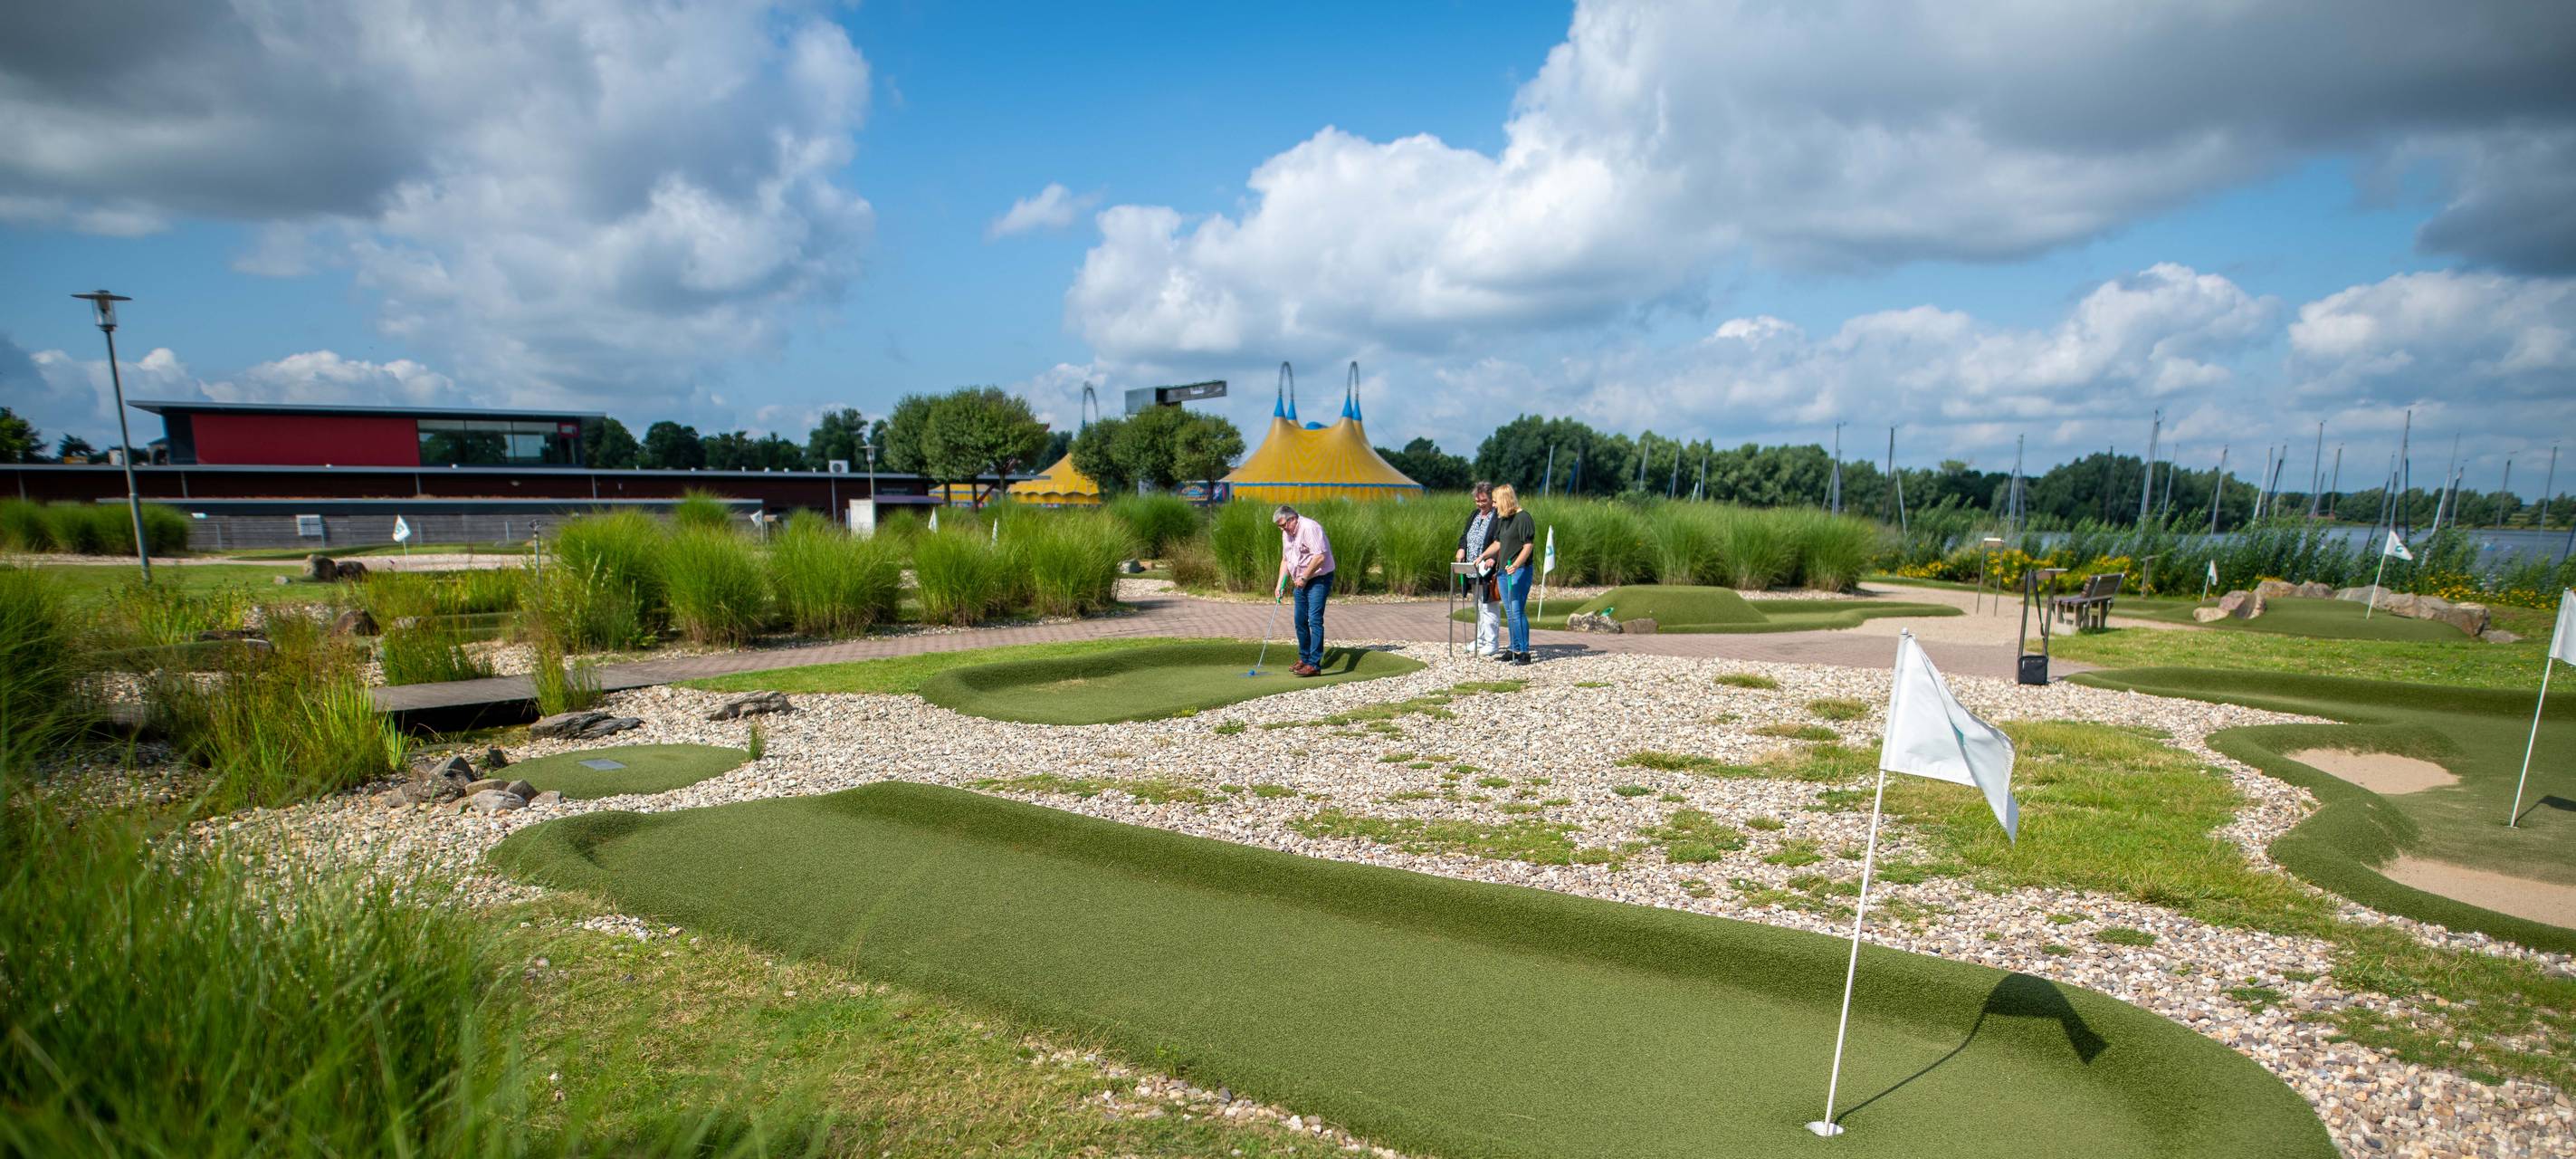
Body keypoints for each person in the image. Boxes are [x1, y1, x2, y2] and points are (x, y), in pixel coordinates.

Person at [1273, 504, 1337, 677]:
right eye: (1279, 526)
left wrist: (1304, 577)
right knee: (1299, 620)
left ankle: (1314, 665)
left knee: (1314, 620)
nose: (1282, 529)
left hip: (1318, 578)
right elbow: (1285, 560)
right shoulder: (1286, 534)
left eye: (1283, 524)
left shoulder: (1310, 528)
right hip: (1300, 580)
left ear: (1292, 518)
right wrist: (1280, 585)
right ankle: (1304, 658)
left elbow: (1320, 557)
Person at [1479, 484, 1537, 666]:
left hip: (1519, 570)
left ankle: (1524, 652)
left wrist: (1517, 564)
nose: (1493, 505)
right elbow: (1498, 543)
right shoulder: (1503, 519)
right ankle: (1513, 648)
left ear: (1504, 500)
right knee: (1510, 612)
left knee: (1517, 610)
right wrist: (1483, 555)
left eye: (1495, 501)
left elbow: (1528, 545)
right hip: (1503, 571)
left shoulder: (1523, 518)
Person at [1455, 482, 1502, 658]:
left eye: (1483, 500)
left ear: (1491, 499)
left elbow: (1500, 540)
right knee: (1478, 606)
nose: (1480, 504)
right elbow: (1465, 535)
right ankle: (1481, 639)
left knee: (1489, 605)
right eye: (1477, 501)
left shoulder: (1497, 516)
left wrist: (1493, 558)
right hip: (1472, 568)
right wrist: (1461, 548)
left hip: (1488, 568)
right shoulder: (1475, 514)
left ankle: (1492, 642)